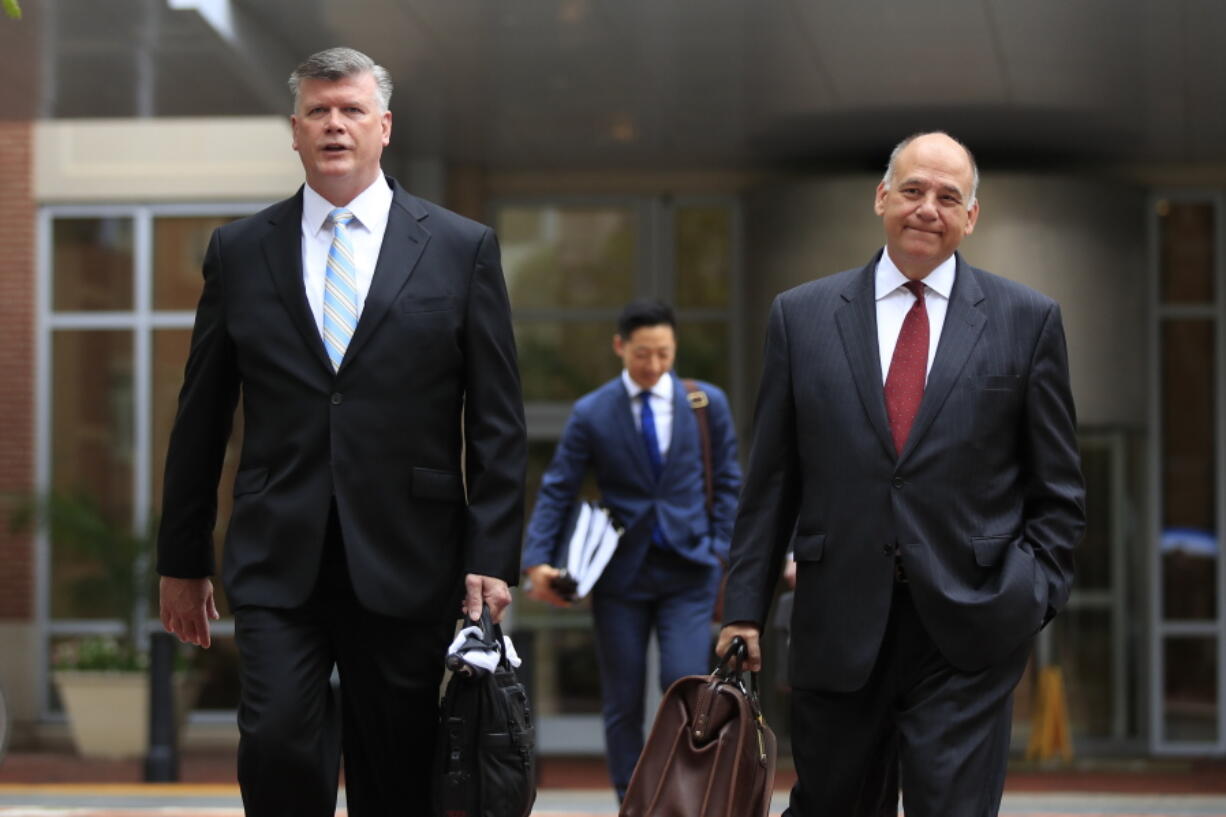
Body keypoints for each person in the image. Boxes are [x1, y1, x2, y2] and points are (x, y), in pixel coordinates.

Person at [155, 47, 526, 817]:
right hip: (276, 549)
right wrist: (181, 558)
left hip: (410, 551)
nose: (334, 124)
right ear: (294, 132)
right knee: (278, 742)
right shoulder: (240, 250)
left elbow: (496, 421)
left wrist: (491, 556)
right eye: (318, 111)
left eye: (351, 110)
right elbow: (202, 413)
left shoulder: (461, 250)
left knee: (396, 767)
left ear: (383, 127)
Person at [717, 132, 1085, 817]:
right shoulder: (801, 317)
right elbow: (771, 483)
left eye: (949, 197)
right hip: (839, 622)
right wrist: (743, 609)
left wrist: (1028, 595)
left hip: (971, 626)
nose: (928, 208)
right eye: (913, 190)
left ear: (971, 217)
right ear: (881, 197)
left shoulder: (1027, 321)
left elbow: (1058, 490)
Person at [521, 299, 741, 800]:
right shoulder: (593, 412)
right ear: (621, 347)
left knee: (683, 686)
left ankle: (682, 797)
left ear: (674, 347)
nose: (655, 365)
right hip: (621, 576)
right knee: (621, 698)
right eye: (644, 354)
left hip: (690, 570)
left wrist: (719, 550)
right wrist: (536, 561)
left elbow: (729, 482)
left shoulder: (706, 404)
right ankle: (632, 800)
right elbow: (559, 487)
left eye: (664, 353)